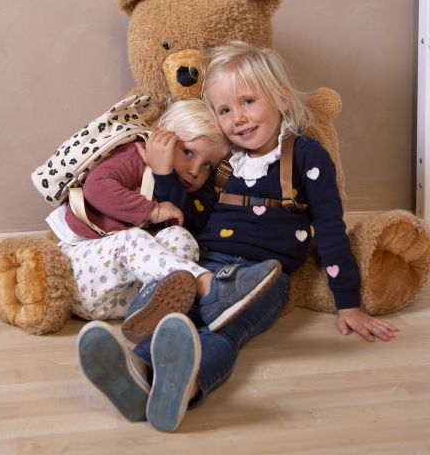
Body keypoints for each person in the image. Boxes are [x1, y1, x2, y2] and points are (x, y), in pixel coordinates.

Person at [76, 42, 399, 432]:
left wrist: (348, 304)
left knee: (225, 332)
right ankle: (138, 372)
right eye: (225, 110)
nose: (238, 118)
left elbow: (330, 228)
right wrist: (164, 175)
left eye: (248, 101)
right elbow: (190, 221)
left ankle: (185, 388)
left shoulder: (305, 156)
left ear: (281, 97)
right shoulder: (224, 164)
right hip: (205, 265)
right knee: (178, 317)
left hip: (262, 278)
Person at [47, 97, 281, 339]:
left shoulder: (198, 189)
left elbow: (193, 222)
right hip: (83, 277)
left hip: (128, 297)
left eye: (207, 166)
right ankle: (209, 286)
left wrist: (164, 175)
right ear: (161, 138)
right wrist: (153, 211)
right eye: (188, 152)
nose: (195, 170)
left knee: (181, 238)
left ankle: (152, 315)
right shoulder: (134, 155)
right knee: (133, 240)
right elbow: (96, 189)